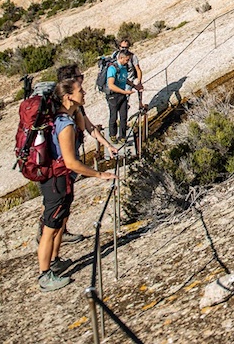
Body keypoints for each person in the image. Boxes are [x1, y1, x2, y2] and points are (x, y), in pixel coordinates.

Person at [36, 78, 116, 292]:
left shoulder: (67, 117)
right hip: (57, 181)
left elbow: (88, 128)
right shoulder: (65, 124)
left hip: (59, 179)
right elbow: (71, 162)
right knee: (50, 229)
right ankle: (45, 276)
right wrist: (99, 175)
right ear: (68, 96)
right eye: (80, 90)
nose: (85, 92)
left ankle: (54, 262)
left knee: (59, 223)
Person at [106, 49, 137, 141]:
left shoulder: (124, 67)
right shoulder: (112, 68)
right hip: (113, 96)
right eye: (127, 60)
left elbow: (124, 79)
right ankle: (112, 135)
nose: (128, 62)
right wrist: (125, 92)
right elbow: (111, 85)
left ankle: (122, 136)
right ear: (121, 58)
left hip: (122, 94)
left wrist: (134, 86)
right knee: (114, 116)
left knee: (124, 116)